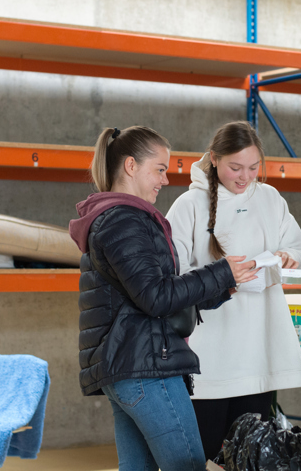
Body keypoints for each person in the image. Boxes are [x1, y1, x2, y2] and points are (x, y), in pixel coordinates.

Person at [68, 125, 258, 471]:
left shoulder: (116, 218)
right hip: (146, 369)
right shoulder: (123, 221)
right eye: (159, 169)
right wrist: (220, 272)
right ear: (130, 166)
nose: (165, 179)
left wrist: (222, 287)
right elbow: (156, 298)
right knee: (186, 467)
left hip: (131, 366)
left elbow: (153, 296)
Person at [166, 121, 301, 460]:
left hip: (259, 352)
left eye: (253, 167)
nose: (245, 176)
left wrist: (290, 259)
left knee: (252, 459)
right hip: (208, 359)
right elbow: (170, 278)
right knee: (205, 457)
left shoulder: (270, 198)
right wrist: (222, 277)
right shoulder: (188, 205)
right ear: (214, 160)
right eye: (235, 167)